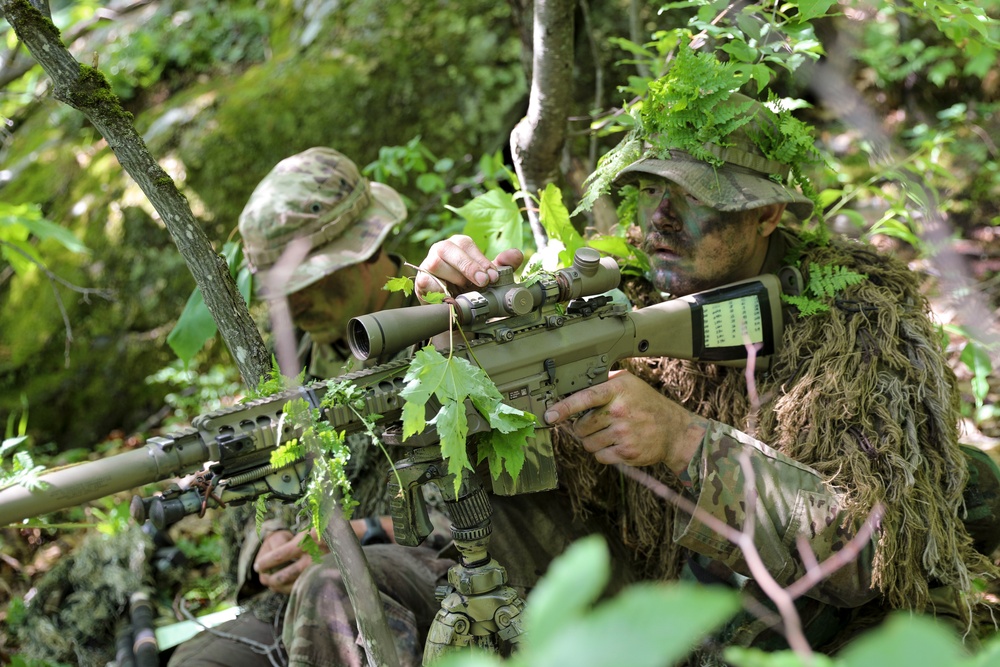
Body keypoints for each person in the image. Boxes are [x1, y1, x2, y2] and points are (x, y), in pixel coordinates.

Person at [414, 91, 1000, 661]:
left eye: (695, 197)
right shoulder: (625, 290)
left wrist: (682, 440)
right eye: (650, 191)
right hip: (662, 586)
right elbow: (552, 481)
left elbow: (875, 556)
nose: (660, 220)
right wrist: (468, 333)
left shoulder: (858, 322)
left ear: (767, 215)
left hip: (839, 627)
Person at [166, 146, 424, 666]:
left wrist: (362, 534)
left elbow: (493, 506)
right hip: (308, 596)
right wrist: (270, 543)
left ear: (366, 250)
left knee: (334, 585)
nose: (294, 303)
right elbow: (261, 486)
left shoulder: (444, 324)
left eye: (310, 280)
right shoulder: (292, 362)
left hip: (436, 573)